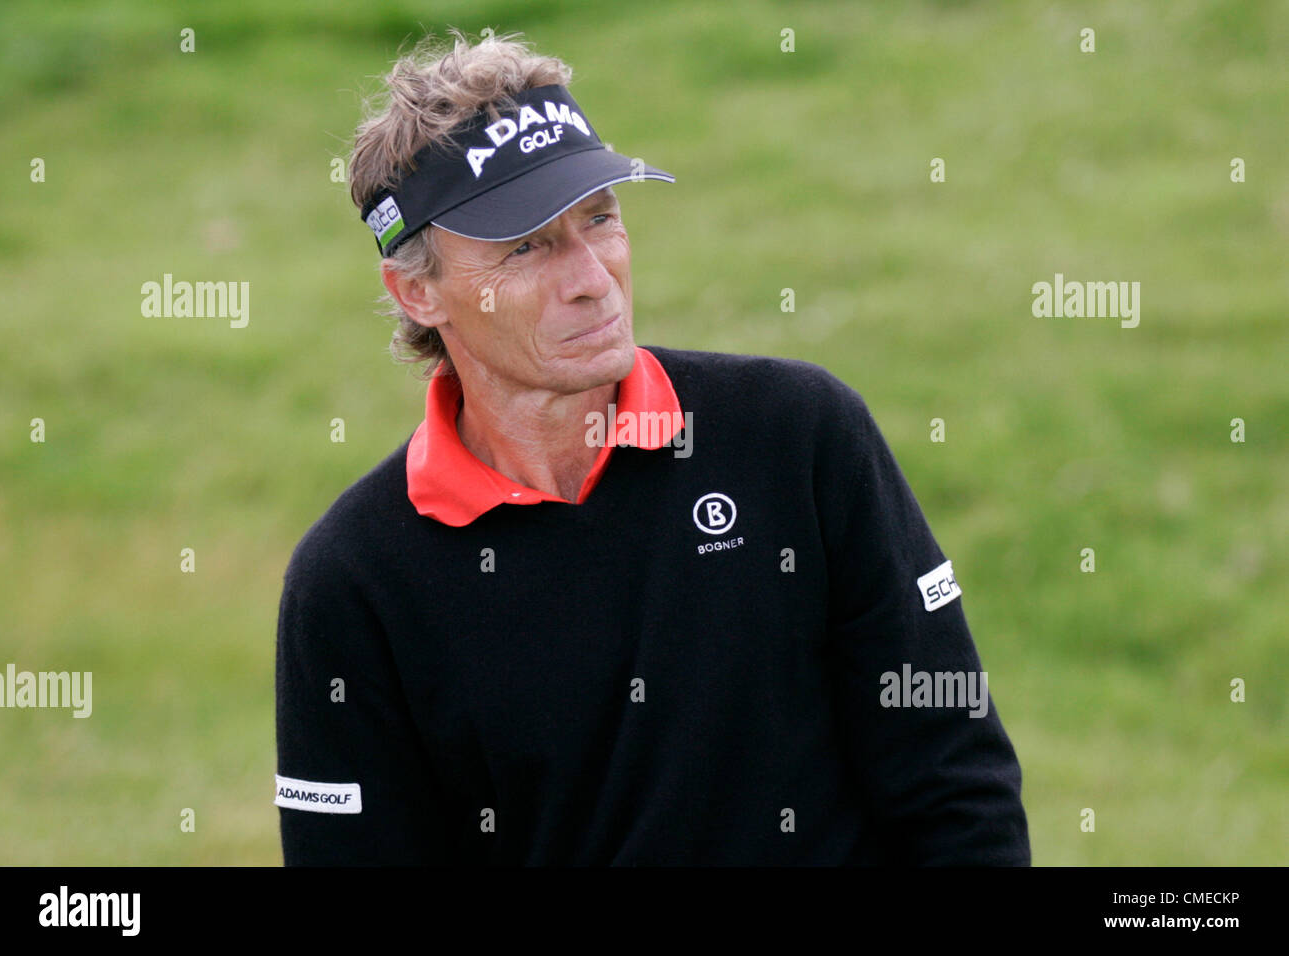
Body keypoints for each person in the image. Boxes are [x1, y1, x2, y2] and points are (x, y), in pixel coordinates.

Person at [274, 31, 1030, 865]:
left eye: (600, 219)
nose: (592, 275)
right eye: (526, 245)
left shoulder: (799, 437)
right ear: (418, 292)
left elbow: (955, 783)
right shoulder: (352, 583)